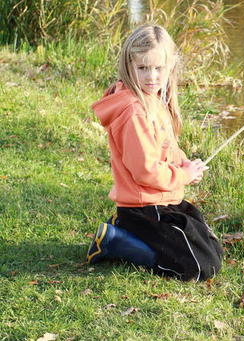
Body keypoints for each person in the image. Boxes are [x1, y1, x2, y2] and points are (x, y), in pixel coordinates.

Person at [86, 24, 223, 281]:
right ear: (129, 66)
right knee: (200, 267)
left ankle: (128, 234)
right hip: (144, 207)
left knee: (212, 249)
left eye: (158, 68)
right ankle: (118, 242)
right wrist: (181, 176)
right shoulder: (134, 113)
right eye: (142, 68)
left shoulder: (154, 99)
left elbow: (165, 146)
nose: (151, 76)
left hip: (161, 200)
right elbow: (145, 170)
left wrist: (185, 165)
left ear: (170, 66)